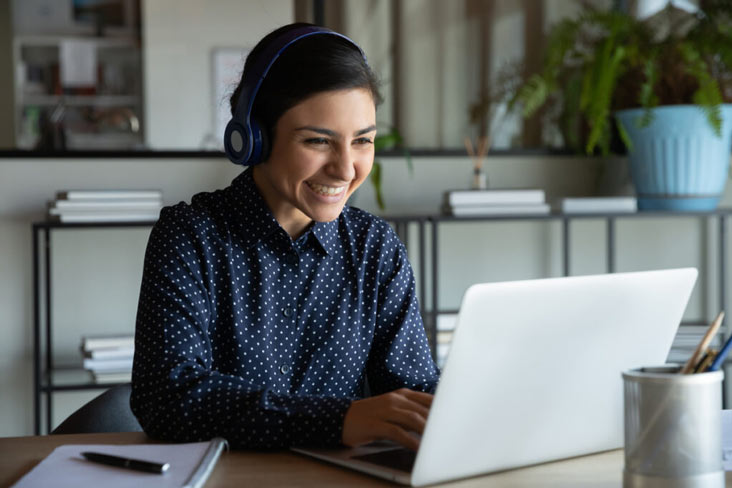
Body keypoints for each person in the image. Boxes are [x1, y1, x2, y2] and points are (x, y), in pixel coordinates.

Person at [130, 23, 439, 451]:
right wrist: (337, 421)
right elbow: (167, 397)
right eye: (318, 141)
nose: (346, 169)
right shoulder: (190, 237)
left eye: (363, 141)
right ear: (253, 137)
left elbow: (416, 391)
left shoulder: (375, 247)